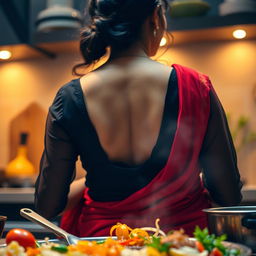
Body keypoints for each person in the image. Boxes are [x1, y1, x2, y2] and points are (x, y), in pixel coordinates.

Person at [35, 0, 243, 237]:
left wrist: (99, 179)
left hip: (105, 247)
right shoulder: (196, 87)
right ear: (155, 16)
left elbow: (47, 205)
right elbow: (228, 195)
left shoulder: (69, 97)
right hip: (182, 245)